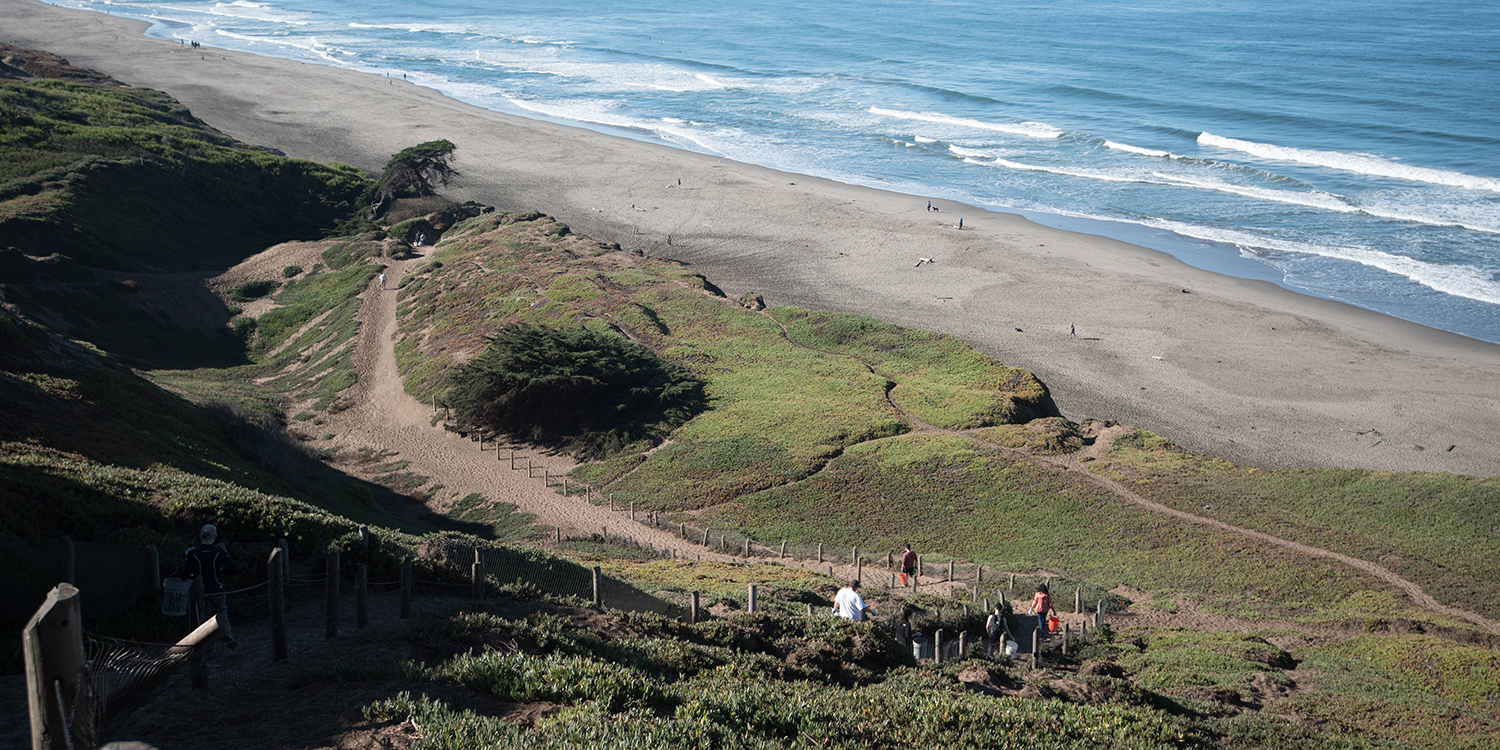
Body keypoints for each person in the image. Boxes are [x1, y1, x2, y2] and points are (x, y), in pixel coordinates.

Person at [173, 524, 239, 648]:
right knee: (221, 612)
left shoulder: (193, 553)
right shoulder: (218, 551)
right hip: (218, 588)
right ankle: (226, 633)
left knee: (205, 620)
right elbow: (234, 568)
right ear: (215, 536)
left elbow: (184, 575)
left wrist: (192, 572)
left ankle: (210, 650)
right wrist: (221, 572)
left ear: (200, 536)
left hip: (202, 592)